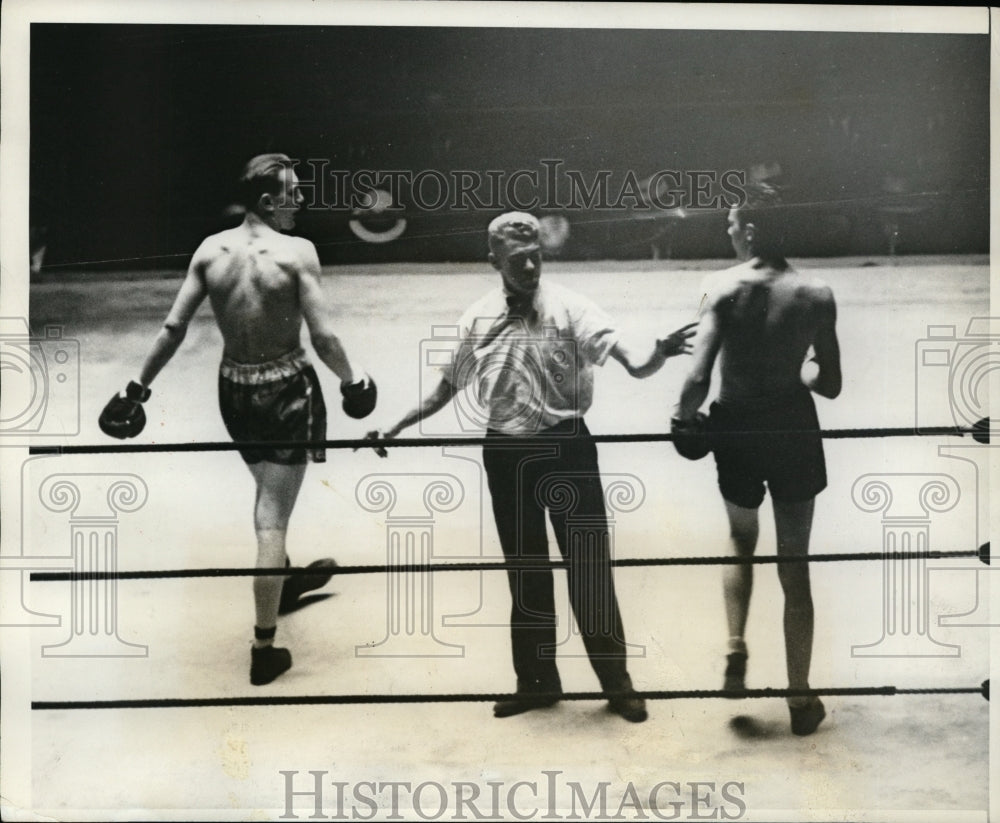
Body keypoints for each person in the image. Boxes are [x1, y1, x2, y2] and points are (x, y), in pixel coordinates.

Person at [367, 212, 696, 722]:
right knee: (527, 572)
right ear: (493, 258)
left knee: (589, 569)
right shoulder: (477, 318)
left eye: (536, 256)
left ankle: (617, 683)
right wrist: (394, 427)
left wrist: (658, 353)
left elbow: (632, 361)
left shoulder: (572, 307)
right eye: (517, 258)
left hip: (568, 447)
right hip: (506, 454)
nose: (529, 265)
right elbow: (444, 391)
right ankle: (537, 682)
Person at [98, 153, 375, 686]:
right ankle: (264, 646)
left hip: (234, 390)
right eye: (292, 193)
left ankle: (284, 580)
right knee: (271, 517)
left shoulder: (210, 250)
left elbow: (173, 327)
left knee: (266, 494)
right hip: (287, 390)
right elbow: (323, 337)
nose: (300, 200)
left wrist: (136, 390)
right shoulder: (297, 253)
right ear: (267, 201)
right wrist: (353, 379)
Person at [672, 187, 842, 735]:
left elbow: (697, 375)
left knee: (740, 538)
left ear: (747, 231)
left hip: (737, 425)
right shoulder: (817, 293)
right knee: (794, 562)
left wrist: (681, 420)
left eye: (731, 223)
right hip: (791, 425)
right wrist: (800, 371)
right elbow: (831, 383)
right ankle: (799, 698)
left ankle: (735, 646)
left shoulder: (718, 287)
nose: (727, 230)